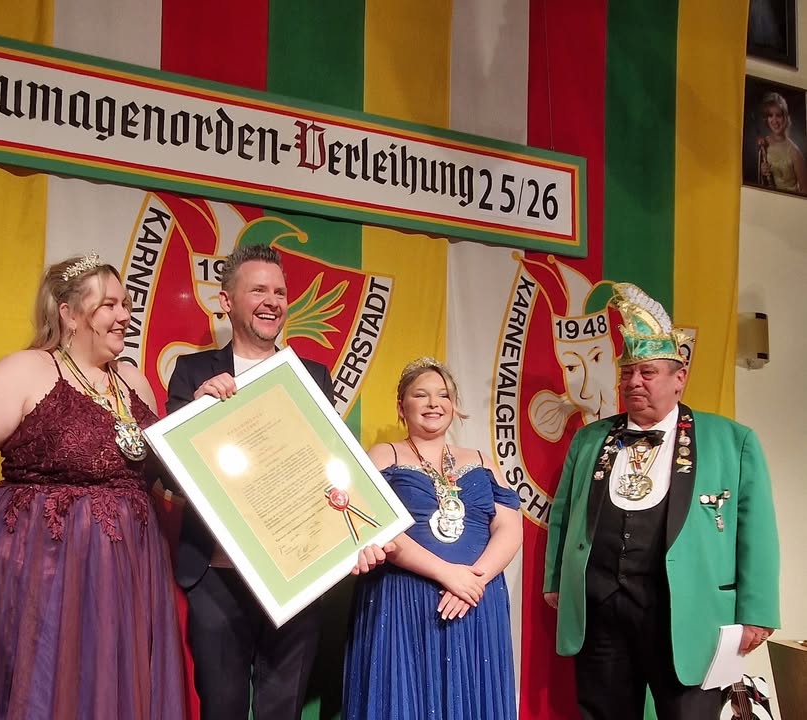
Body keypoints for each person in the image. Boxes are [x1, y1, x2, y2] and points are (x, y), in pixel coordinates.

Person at [0, 255, 186, 719]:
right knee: (46, 683)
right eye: (109, 305)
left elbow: (162, 470)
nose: (124, 315)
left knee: (111, 684)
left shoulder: (132, 380)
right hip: (48, 570)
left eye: (126, 304)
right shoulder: (27, 371)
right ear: (69, 313)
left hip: (129, 570)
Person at [543, 282, 781, 720]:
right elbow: (563, 514)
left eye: (648, 372)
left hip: (687, 612)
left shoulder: (733, 441)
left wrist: (758, 611)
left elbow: (757, 533)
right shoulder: (589, 439)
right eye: (627, 373)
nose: (634, 382)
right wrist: (557, 581)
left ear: (679, 378)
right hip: (600, 613)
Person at [166, 243, 358, 719]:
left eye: (280, 292)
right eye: (258, 291)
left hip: (294, 575)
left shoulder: (312, 377)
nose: (272, 301)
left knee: (282, 711)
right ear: (226, 301)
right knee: (222, 709)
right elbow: (169, 477)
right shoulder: (193, 372)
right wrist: (199, 414)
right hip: (218, 576)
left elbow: (327, 466)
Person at [343, 357, 521, 719]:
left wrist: (474, 580)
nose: (433, 403)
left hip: (475, 600)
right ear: (401, 407)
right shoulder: (383, 455)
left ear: (453, 405)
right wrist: (448, 574)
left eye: (443, 395)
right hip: (403, 598)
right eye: (420, 395)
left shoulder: (482, 460)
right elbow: (376, 524)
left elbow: (510, 526)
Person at [757, 91, 807, 195]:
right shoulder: (764, 143)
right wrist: (762, 171)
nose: (774, 120)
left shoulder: (795, 153)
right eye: (770, 115)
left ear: (785, 117)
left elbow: (805, 190)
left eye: (778, 115)